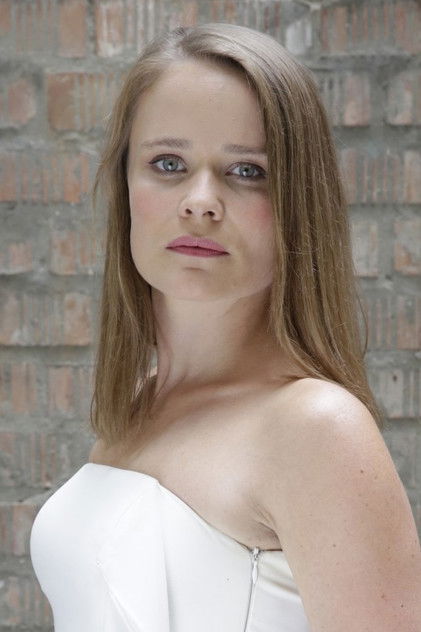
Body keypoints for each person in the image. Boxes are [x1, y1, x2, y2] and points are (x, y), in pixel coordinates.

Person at [30, 22, 421, 631]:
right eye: (168, 163)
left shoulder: (315, 428)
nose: (200, 201)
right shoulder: (141, 407)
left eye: (246, 172)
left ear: (298, 201)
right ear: (126, 185)